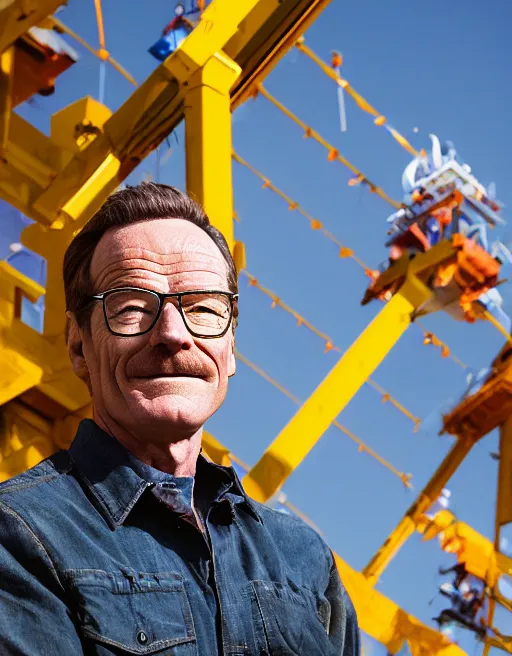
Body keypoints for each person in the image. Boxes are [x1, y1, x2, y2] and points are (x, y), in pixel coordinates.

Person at [0, 182, 360, 655]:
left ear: (230, 347)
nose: (173, 334)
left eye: (203, 308)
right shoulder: (18, 530)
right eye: (131, 308)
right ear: (77, 345)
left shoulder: (304, 557)